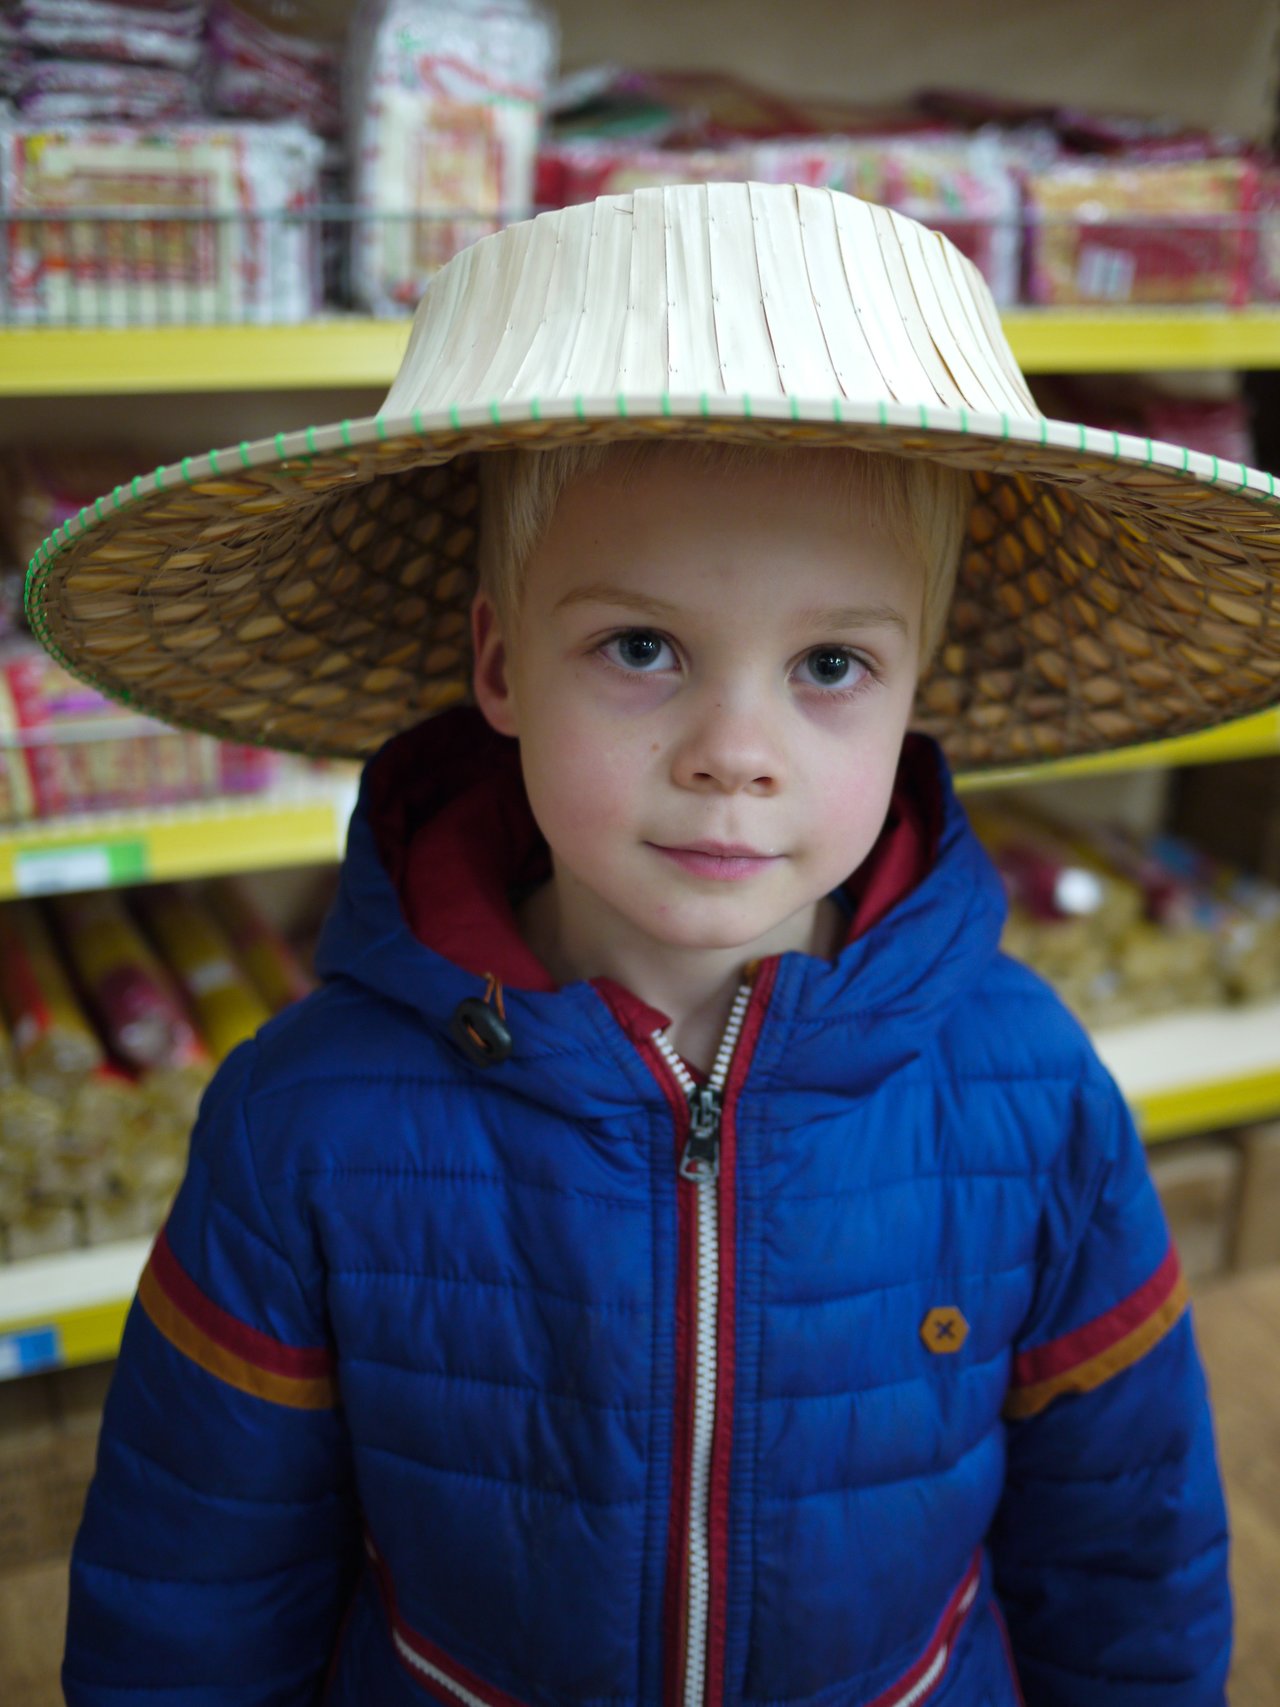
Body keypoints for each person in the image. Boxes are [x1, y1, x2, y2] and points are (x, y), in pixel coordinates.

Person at [36, 183, 1253, 1706]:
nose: (734, 752)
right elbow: (195, 1587)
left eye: (829, 664)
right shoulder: (303, 1119)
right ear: (499, 661)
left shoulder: (1030, 1096)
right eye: (641, 648)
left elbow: (1124, 1551)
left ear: (913, 689)